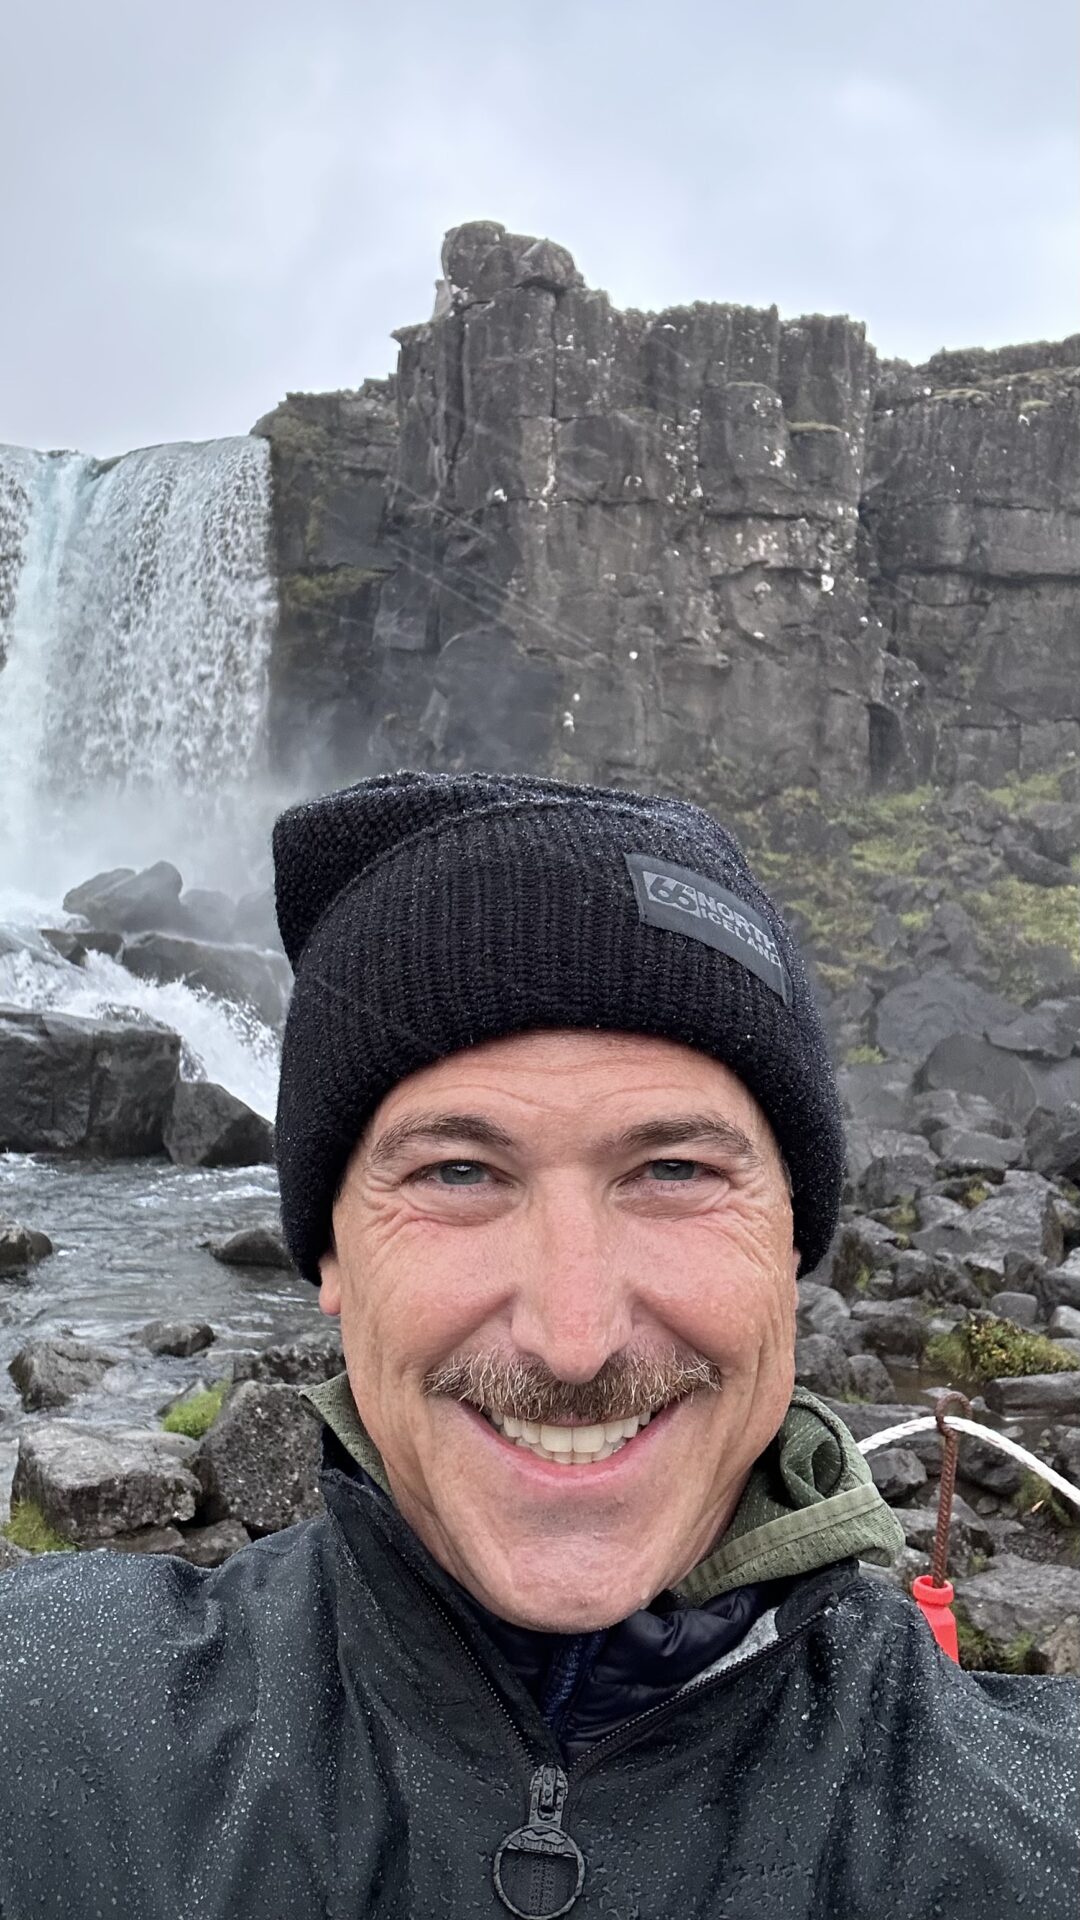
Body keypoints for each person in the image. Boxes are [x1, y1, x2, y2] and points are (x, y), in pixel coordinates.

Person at [0, 769, 1076, 1920]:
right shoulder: (44, 1725)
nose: (572, 1340)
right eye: (458, 1173)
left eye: (675, 1171)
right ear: (327, 1258)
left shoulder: (1034, 1832)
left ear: (793, 1249)